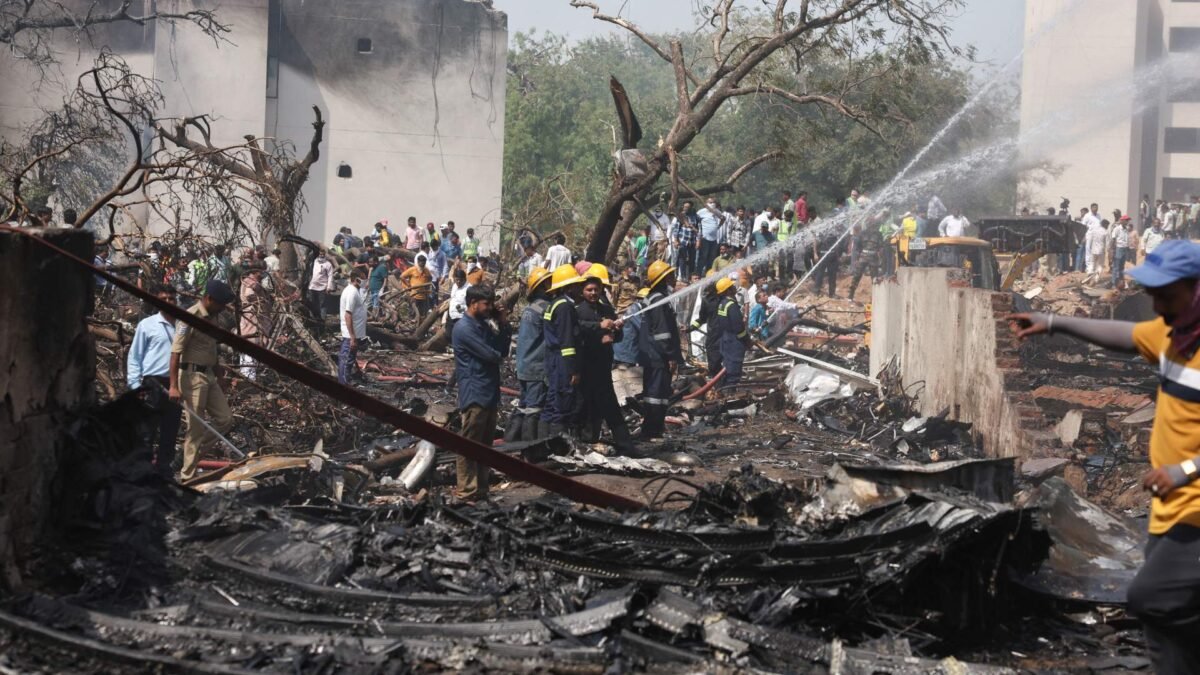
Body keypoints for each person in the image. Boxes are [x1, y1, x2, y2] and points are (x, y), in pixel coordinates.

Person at [1009, 241, 1200, 673]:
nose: (1156, 305)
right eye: (1153, 294)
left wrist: (1184, 470)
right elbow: (1127, 336)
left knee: (1152, 598)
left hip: (1195, 510)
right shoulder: (1176, 336)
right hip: (1170, 510)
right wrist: (1053, 322)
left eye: (1166, 295)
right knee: (1168, 627)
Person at [168, 280, 236, 480]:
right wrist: (173, 386)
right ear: (209, 298)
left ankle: (188, 455)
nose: (223, 308)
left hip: (210, 376)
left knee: (225, 419)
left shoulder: (213, 318)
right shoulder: (190, 317)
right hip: (192, 377)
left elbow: (212, 349)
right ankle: (187, 477)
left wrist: (220, 376)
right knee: (195, 430)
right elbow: (175, 353)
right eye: (220, 303)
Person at [451, 285, 512, 502]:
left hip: (488, 390)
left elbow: (502, 350)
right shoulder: (464, 329)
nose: (490, 308)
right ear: (473, 303)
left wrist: (503, 324)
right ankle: (467, 491)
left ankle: (481, 488)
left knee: (485, 445)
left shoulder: (482, 325)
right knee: (469, 444)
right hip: (475, 391)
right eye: (486, 304)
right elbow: (492, 355)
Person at [576, 270, 635, 453]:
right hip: (586, 366)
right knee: (587, 405)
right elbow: (576, 332)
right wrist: (599, 330)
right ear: (582, 292)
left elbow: (617, 336)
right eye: (589, 290)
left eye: (596, 289)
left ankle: (625, 445)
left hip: (603, 365)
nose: (593, 293)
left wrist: (616, 330)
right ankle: (587, 440)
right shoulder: (578, 311)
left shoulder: (607, 310)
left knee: (609, 404)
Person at [127, 284, 183, 476]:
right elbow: (135, 356)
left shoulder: (182, 326)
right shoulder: (147, 325)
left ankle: (163, 471)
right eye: (163, 299)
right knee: (147, 431)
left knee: (170, 431)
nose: (168, 302)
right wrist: (135, 386)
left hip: (175, 384)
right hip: (152, 383)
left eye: (171, 298)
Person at [639, 260, 682, 439]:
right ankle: (652, 430)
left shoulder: (656, 297)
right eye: (670, 275)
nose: (674, 278)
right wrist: (670, 355)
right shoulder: (658, 299)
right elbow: (662, 332)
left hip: (654, 354)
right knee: (656, 394)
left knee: (657, 394)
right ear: (663, 279)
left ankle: (654, 429)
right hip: (658, 356)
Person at [542, 264, 585, 436]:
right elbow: (567, 341)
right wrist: (572, 370)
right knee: (562, 401)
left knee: (553, 400)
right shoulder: (565, 307)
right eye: (577, 284)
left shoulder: (555, 303)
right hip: (562, 361)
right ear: (569, 287)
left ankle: (540, 441)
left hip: (553, 358)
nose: (580, 288)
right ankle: (557, 441)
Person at [516, 268, 552, 422]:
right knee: (534, 411)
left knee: (523, 407)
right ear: (542, 286)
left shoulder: (531, 307)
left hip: (524, 366)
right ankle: (528, 437)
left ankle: (514, 435)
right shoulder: (547, 309)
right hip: (536, 368)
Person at [239, 263, 271, 381]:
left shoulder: (251, 281)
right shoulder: (250, 282)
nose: (263, 274)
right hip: (251, 318)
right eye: (262, 271)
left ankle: (251, 377)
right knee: (250, 345)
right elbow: (249, 295)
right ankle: (248, 379)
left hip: (255, 318)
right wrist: (260, 300)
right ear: (257, 271)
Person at [714, 277, 749, 388]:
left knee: (728, 367)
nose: (734, 287)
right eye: (731, 286)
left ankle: (725, 389)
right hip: (734, 342)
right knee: (734, 370)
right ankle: (730, 392)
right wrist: (747, 340)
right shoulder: (732, 305)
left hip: (726, 339)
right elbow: (739, 328)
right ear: (728, 291)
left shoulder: (722, 303)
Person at [338, 269, 367, 385]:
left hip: (354, 334)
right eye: (363, 279)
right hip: (350, 335)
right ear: (356, 279)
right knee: (346, 360)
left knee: (349, 360)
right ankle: (343, 384)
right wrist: (352, 337)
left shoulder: (355, 291)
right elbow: (347, 315)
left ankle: (346, 381)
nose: (365, 281)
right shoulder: (351, 292)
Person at [848, 223, 882, 301]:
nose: (871, 226)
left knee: (874, 278)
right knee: (857, 275)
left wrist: (880, 258)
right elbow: (858, 247)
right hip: (863, 256)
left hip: (873, 257)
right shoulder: (862, 233)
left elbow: (880, 247)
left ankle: (875, 297)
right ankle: (850, 295)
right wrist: (857, 259)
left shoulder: (878, 234)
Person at [401, 254, 433, 318]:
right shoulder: (412, 269)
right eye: (421, 263)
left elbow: (430, 278)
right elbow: (402, 276)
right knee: (412, 313)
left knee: (422, 314)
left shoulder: (426, 270)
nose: (423, 264)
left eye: (424, 263)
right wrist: (408, 285)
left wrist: (427, 288)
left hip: (423, 296)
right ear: (418, 262)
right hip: (414, 295)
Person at [307, 252, 335, 325]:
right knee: (312, 304)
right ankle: (312, 322)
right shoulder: (314, 262)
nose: (321, 256)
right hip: (312, 287)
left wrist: (329, 287)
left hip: (322, 288)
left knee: (322, 305)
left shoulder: (328, 264)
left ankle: (322, 323)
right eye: (320, 254)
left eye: (323, 254)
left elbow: (330, 276)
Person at [696, 199, 723, 272]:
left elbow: (723, 218)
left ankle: (708, 273)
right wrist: (698, 238)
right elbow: (697, 224)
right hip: (704, 238)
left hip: (714, 239)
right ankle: (698, 273)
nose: (712, 204)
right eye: (710, 202)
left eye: (714, 202)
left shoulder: (717, 211)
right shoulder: (701, 212)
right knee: (703, 256)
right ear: (706, 203)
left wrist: (718, 226)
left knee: (712, 257)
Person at [446, 267, 470, 338]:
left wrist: (461, 309)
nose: (458, 282)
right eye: (457, 280)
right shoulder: (455, 286)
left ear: (465, 279)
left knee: (458, 336)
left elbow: (471, 306)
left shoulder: (469, 289)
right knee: (448, 335)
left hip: (460, 317)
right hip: (451, 315)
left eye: (461, 280)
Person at [1111, 216, 1132, 288]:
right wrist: (1113, 250)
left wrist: (1128, 249)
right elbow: (1113, 239)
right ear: (1122, 221)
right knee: (1116, 267)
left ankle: (1120, 283)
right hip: (1118, 248)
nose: (1127, 222)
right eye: (1126, 220)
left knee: (1122, 267)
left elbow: (1127, 240)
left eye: (1128, 220)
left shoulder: (1126, 229)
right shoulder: (1117, 229)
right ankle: (1113, 283)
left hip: (1125, 249)